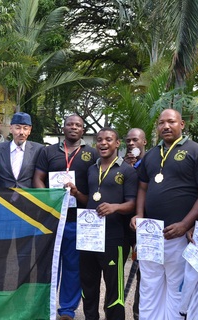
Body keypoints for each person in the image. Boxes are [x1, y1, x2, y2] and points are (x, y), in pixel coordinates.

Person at [130, 108, 198, 319]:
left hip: (177, 234)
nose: (165, 126)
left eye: (171, 122)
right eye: (161, 123)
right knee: (149, 286)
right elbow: (142, 188)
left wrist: (186, 224)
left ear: (182, 125)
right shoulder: (150, 155)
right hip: (151, 234)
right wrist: (139, 214)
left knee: (177, 287)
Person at [68, 128, 137, 320]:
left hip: (114, 237)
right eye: (99, 140)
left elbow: (133, 203)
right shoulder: (92, 169)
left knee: (114, 287)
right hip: (89, 237)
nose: (103, 143)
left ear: (117, 144)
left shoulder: (127, 171)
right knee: (88, 284)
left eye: (108, 139)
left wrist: (114, 207)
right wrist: (76, 193)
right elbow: (90, 199)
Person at [33, 114, 97, 320]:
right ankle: (45, 306)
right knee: (49, 266)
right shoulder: (48, 151)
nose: (74, 127)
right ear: (63, 127)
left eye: (78, 125)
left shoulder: (92, 153)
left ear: (83, 129)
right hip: (52, 219)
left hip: (77, 219)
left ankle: (67, 309)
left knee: (73, 266)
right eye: (70, 124)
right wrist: (48, 202)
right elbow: (38, 178)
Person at [0, 112, 44, 289]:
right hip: (2, 211)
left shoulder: (39, 150)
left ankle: (22, 294)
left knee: (24, 255)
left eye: (25, 128)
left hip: (27, 212)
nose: (21, 132)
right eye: (18, 127)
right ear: (10, 128)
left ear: (30, 130)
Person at [122, 128, 147, 320]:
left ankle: (139, 313)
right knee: (116, 269)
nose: (131, 143)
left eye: (135, 140)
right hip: (122, 225)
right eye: (128, 140)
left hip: (142, 225)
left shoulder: (151, 163)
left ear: (144, 142)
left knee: (143, 273)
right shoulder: (121, 164)